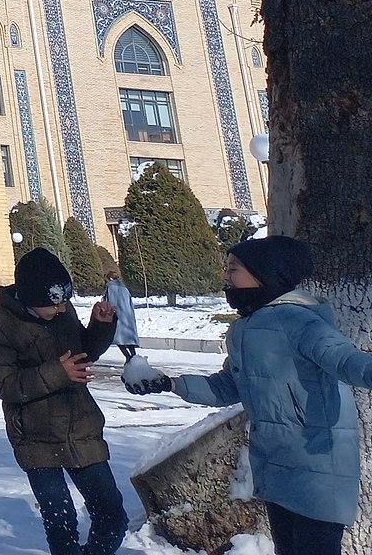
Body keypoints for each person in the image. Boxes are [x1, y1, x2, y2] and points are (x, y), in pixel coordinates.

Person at [125, 236, 372, 555]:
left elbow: (346, 360)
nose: (226, 276)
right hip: (275, 468)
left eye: (234, 269)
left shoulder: (301, 322)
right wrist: (170, 383)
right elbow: (227, 387)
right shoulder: (243, 329)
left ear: (264, 274)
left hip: (318, 471)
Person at [0, 247, 126, 555]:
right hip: (36, 437)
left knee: (113, 516)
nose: (61, 310)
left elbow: (83, 354)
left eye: (64, 302)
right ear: (30, 298)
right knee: (62, 526)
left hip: (82, 428)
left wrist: (101, 326)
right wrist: (57, 372)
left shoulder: (64, 310)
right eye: (53, 304)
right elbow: (3, 384)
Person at [101, 265, 139, 361]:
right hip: (127, 316)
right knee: (129, 339)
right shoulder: (124, 288)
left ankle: (128, 357)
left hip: (117, 316)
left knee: (118, 339)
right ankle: (133, 356)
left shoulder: (110, 287)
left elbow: (108, 301)